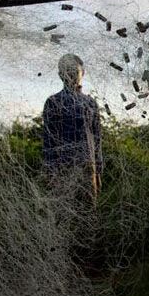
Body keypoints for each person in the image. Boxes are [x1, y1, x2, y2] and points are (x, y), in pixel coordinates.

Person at [42, 54, 104, 195]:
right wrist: (50, 171)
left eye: (74, 71)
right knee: (64, 212)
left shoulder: (90, 103)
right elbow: (49, 140)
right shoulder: (53, 102)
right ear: (60, 75)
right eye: (66, 71)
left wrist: (98, 171)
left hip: (88, 167)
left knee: (88, 211)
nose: (71, 75)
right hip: (62, 168)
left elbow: (97, 138)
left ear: (83, 72)